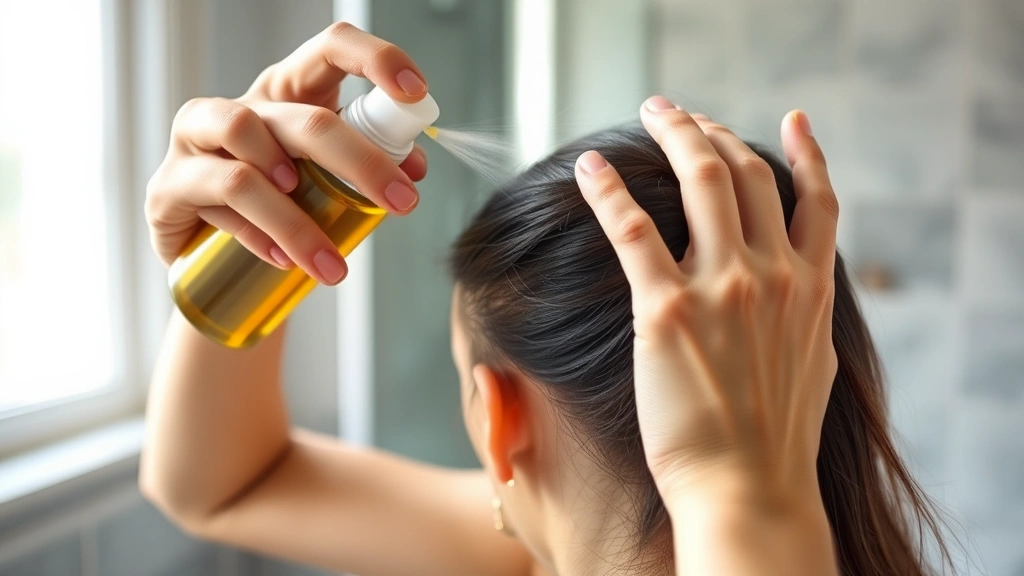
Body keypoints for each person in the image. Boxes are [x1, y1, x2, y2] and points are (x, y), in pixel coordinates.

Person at [140, 23, 951, 576]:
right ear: (803, 352)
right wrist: (743, 494)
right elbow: (224, 483)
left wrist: (735, 493)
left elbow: (220, 488)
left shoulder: (537, 547)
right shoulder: (545, 545)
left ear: (500, 422)